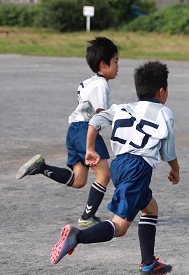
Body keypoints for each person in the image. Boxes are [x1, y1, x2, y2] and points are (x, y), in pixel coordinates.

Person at [50, 61, 180, 275]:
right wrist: (175, 170)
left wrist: (90, 148)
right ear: (161, 91)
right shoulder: (164, 113)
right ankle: (77, 237)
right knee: (119, 227)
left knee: (150, 208)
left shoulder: (122, 108)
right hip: (137, 168)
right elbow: (168, 151)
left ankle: (149, 263)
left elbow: (95, 121)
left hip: (119, 165)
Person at [16, 37, 119, 227]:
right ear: (103, 64)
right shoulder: (101, 85)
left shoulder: (87, 82)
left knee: (78, 180)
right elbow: (100, 115)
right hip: (85, 130)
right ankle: (87, 217)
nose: (118, 66)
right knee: (104, 175)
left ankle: (41, 168)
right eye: (115, 61)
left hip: (73, 131)